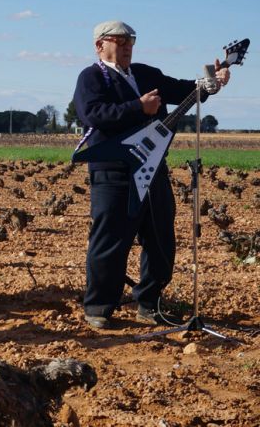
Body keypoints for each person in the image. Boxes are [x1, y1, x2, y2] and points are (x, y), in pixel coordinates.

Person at [72, 20, 229, 329]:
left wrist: (212, 81)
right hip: (113, 170)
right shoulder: (90, 77)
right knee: (110, 238)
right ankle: (99, 308)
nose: (127, 45)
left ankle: (149, 303)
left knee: (160, 237)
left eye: (131, 39)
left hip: (152, 167)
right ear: (99, 45)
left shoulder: (146, 74)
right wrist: (137, 108)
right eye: (119, 40)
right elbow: (92, 113)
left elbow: (186, 90)